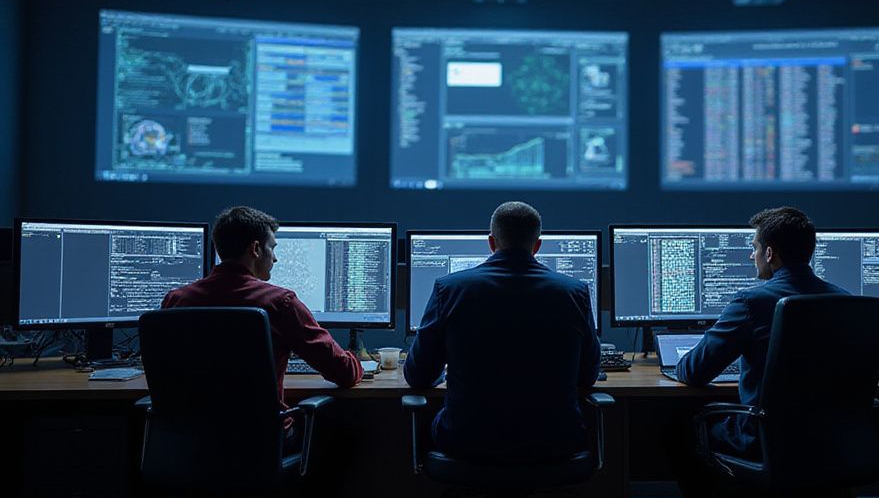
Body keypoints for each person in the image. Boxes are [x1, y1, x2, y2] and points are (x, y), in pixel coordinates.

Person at [668, 206, 850, 498]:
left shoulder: (753, 302)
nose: (751, 256)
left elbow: (694, 371)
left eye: (754, 248)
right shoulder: (845, 301)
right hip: (834, 440)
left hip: (768, 437)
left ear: (770, 253)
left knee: (679, 432)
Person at [403, 201, 600, 466]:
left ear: (491, 242)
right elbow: (588, 376)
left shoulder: (449, 289)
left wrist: (447, 369)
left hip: (466, 442)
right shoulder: (575, 293)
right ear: (537, 245)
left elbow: (417, 376)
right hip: (556, 443)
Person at [162, 206, 363, 408]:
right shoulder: (281, 303)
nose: (275, 258)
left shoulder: (176, 301)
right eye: (272, 248)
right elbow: (344, 373)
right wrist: (357, 360)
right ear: (255, 249)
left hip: (185, 428)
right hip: (259, 428)